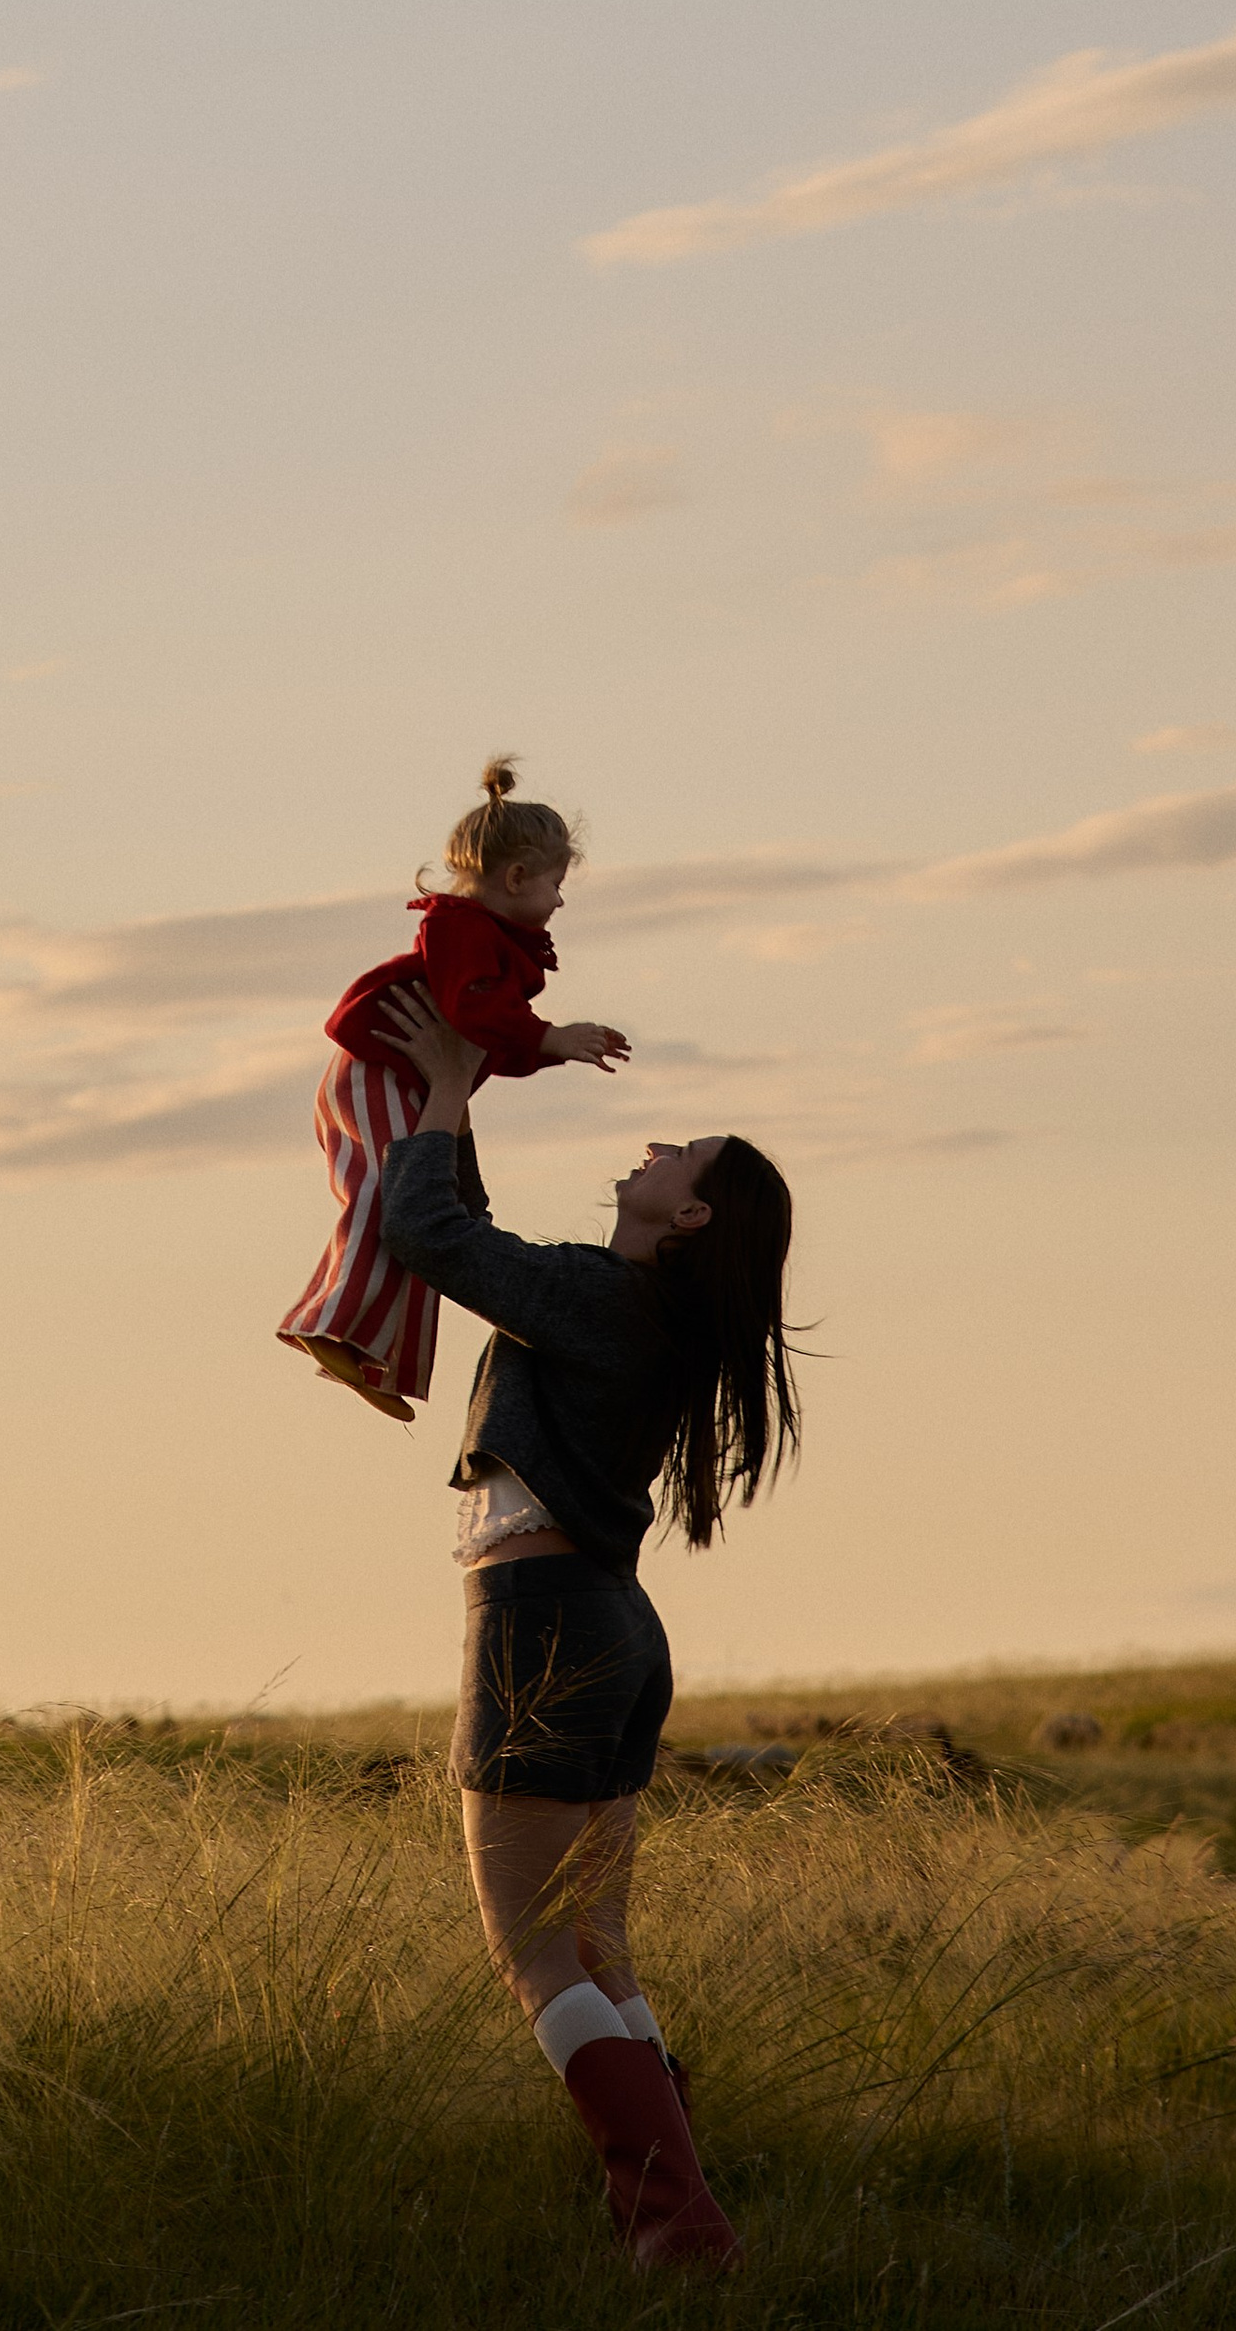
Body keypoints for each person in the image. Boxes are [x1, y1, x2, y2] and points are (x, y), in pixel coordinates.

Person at [374, 979, 800, 2276]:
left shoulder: (602, 1299)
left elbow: (426, 1232)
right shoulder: (625, 1306)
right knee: (597, 1946)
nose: (659, 1146)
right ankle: (672, 2209)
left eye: (685, 1154)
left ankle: (676, 2225)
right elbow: (475, 1235)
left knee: (532, 1949)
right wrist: (458, 1088)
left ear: (690, 1215)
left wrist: (446, 1089)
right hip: (611, 1625)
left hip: (542, 1619)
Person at [275, 760, 634, 1420]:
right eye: (556, 884)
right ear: (516, 877)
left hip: (407, 1076)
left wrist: (545, 1045)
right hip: (378, 1070)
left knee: (424, 1212)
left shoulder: (487, 938)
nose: (560, 901)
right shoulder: (463, 930)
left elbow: (487, 1040)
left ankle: (377, 1355)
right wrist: (549, 1037)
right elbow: (474, 1013)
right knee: (395, 1200)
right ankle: (332, 1324)